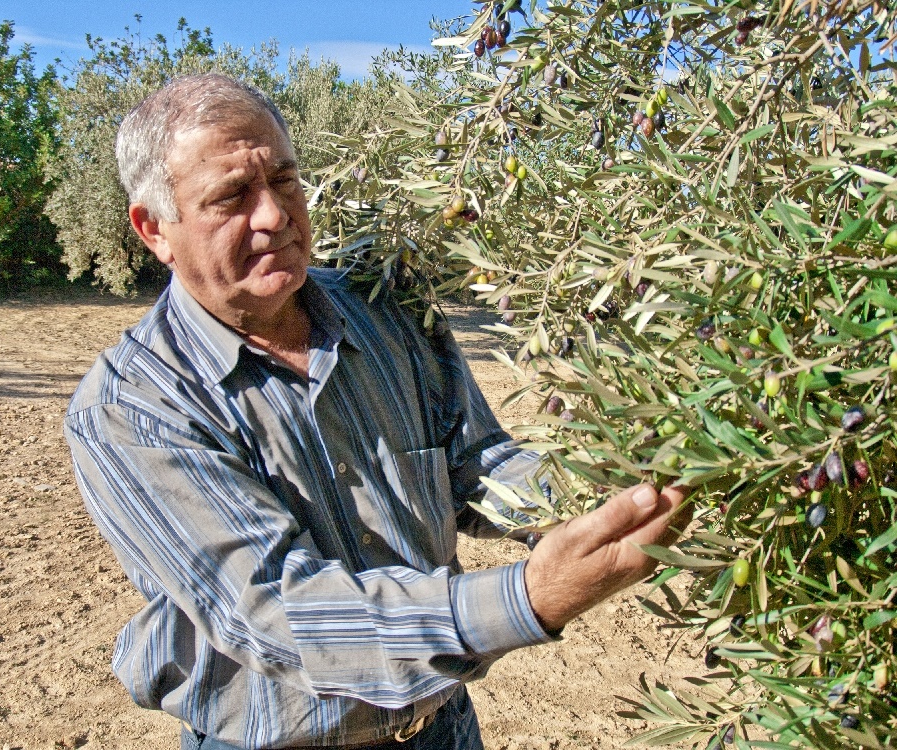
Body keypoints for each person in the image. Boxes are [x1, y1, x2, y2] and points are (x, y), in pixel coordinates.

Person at [64, 73, 688, 750]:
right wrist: (530, 598)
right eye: (230, 197)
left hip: (442, 730)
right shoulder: (133, 407)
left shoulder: (387, 308)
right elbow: (276, 611)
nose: (273, 214)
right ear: (155, 229)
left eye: (283, 179)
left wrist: (603, 495)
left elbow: (479, 465)